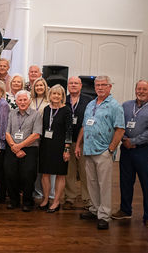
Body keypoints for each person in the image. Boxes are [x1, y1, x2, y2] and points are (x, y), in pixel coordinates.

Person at [76, 75, 125, 230]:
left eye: (103, 85)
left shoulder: (115, 106)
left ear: (110, 87)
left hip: (103, 150)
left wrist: (111, 149)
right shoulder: (91, 104)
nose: (100, 87)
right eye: (97, 85)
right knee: (91, 182)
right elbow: (84, 126)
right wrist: (78, 145)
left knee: (104, 184)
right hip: (88, 149)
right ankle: (95, 209)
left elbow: (120, 129)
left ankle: (104, 215)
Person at [116, 80, 148, 228]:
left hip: (144, 151)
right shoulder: (126, 106)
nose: (141, 92)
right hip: (126, 150)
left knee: (147, 184)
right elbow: (119, 125)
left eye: (145, 89)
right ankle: (125, 210)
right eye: (139, 89)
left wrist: (133, 141)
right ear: (135, 90)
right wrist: (124, 139)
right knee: (125, 181)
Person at [4, 90, 42, 212]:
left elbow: (36, 134)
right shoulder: (11, 113)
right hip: (12, 147)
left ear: (30, 101)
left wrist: (19, 146)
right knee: (10, 174)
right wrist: (14, 146)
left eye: (25, 99)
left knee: (27, 176)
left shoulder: (36, 115)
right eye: (19, 100)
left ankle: (27, 202)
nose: (22, 102)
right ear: (16, 101)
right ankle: (13, 201)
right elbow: (7, 132)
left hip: (29, 149)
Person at [36, 84, 71, 213]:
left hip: (60, 146)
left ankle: (56, 201)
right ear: (50, 95)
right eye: (53, 93)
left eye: (59, 94)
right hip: (46, 145)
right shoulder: (46, 109)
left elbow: (69, 130)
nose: (56, 96)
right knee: (45, 173)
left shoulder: (66, 110)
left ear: (62, 96)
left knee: (60, 174)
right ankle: (46, 199)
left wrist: (67, 149)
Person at [63, 76, 93, 210]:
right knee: (69, 171)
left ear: (81, 86)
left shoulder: (89, 101)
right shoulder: (64, 99)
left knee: (84, 171)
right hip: (67, 141)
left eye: (76, 83)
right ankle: (70, 197)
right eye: (71, 83)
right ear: (68, 85)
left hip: (84, 141)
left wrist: (81, 143)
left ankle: (87, 199)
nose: (73, 85)